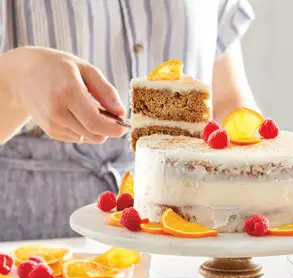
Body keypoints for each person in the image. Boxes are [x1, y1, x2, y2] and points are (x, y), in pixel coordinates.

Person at [0, 0, 258, 241]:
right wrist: (13, 83)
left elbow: (227, 102)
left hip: (182, 238)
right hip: (29, 244)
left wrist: (266, 189)